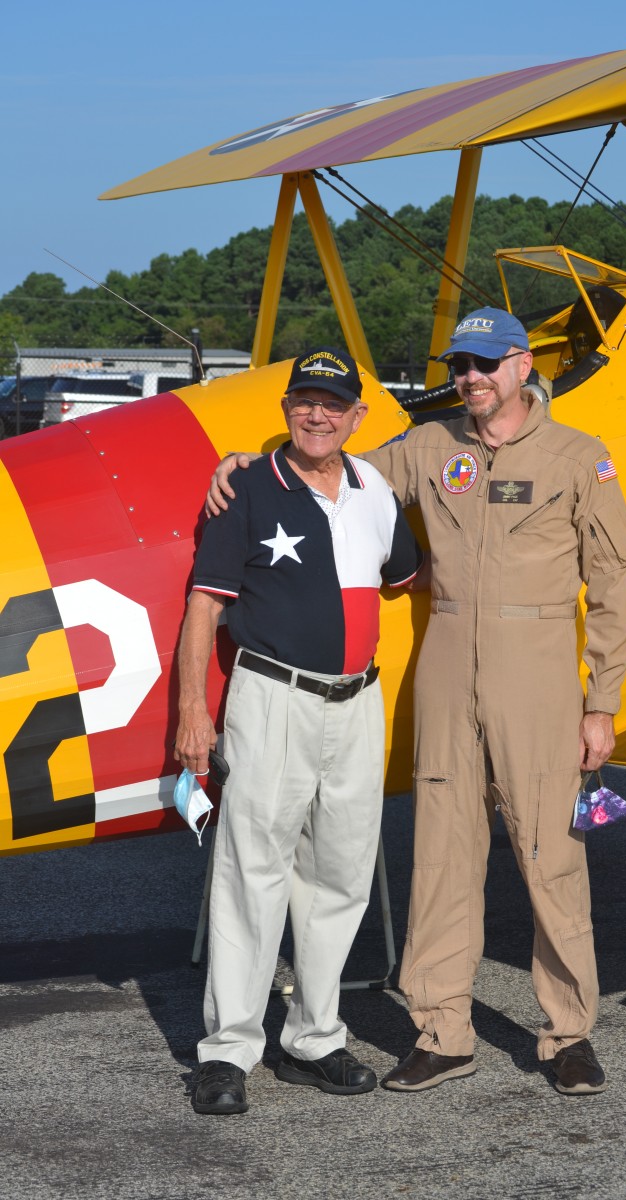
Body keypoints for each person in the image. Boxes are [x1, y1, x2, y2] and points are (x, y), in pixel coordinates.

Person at [207, 308, 626, 1096]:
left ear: (522, 365)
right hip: (446, 667)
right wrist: (248, 462)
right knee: (441, 855)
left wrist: (601, 700)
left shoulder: (580, 457)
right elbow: (332, 469)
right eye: (459, 365)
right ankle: (443, 1032)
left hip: (538, 669)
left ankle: (568, 1034)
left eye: (484, 364)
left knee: (551, 856)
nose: (469, 378)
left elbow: (613, 581)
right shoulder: (428, 447)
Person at [176, 346, 421, 1115]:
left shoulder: (375, 489)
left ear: (358, 416)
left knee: (340, 875)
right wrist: (192, 710)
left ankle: (314, 1039)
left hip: (356, 704)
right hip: (273, 698)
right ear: (286, 410)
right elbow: (204, 605)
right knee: (252, 872)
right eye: (304, 401)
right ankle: (228, 1051)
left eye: (333, 404)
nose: (318, 415)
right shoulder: (247, 488)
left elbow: (408, 575)